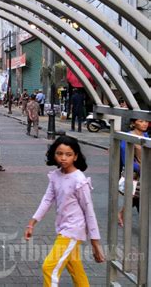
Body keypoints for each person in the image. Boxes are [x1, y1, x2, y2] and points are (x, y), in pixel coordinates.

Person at [24, 136, 105, 286]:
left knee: (49, 268)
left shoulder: (79, 180)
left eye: (68, 154)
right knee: (75, 268)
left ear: (76, 156)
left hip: (73, 230)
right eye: (59, 153)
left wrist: (95, 242)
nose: (63, 158)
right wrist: (32, 223)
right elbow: (47, 200)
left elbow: (89, 211)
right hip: (63, 228)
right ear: (53, 154)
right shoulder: (56, 175)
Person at [117, 118, 149, 227]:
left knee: (135, 198)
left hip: (146, 173)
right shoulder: (128, 137)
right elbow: (126, 159)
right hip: (136, 175)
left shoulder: (146, 136)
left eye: (146, 121)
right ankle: (144, 228)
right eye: (141, 121)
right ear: (133, 123)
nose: (144, 124)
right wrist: (139, 168)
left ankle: (121, 213)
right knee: (139, 198)